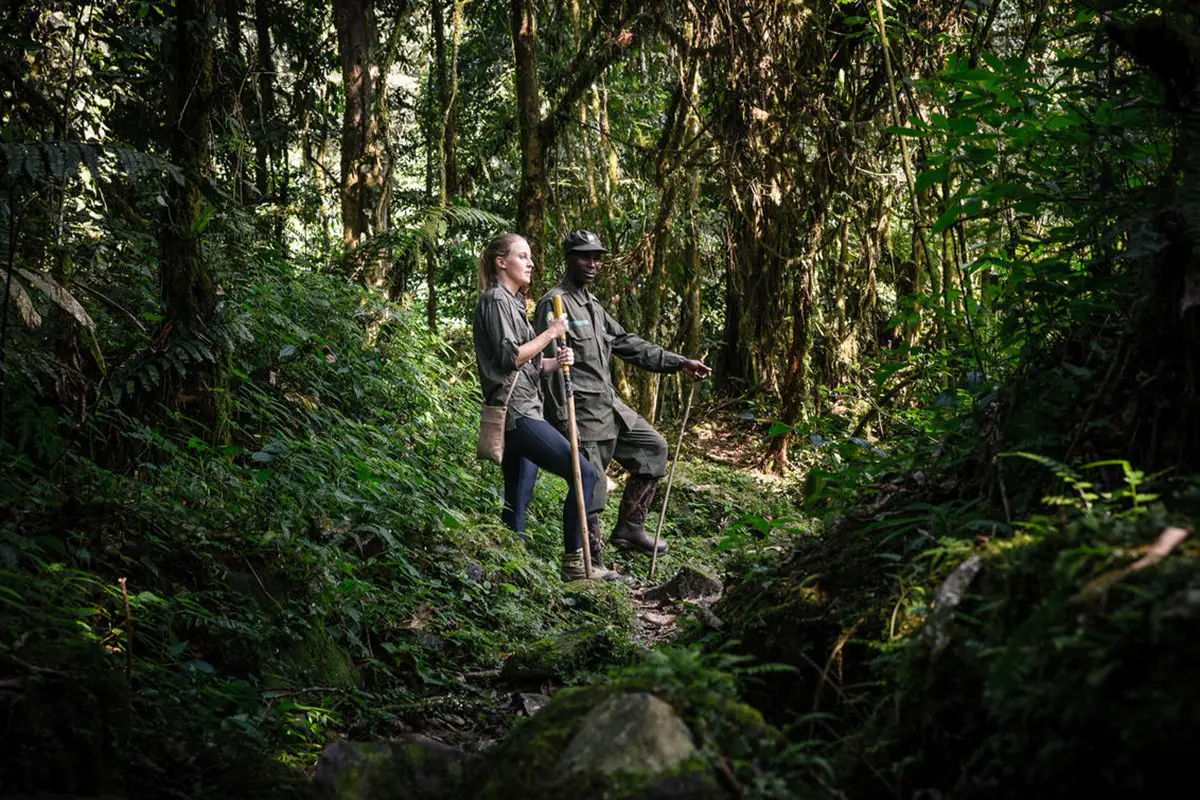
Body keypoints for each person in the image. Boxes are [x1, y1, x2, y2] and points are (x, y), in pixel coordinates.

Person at [534, 230, 711, 569]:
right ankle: (593, 565)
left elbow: (628, 344)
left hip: (609, 404)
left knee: (653, 448)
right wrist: (562, 419)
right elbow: (550, 364)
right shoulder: (554, 303)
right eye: (584, 257)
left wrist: (679, 363)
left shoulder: (593, 305)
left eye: (596, 258)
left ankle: (631, 527)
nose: (592, 264)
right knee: (591, 486)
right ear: (568, 258)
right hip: (581, 410)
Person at [472, 233, 626, 583]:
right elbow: (510, 357)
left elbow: (525, 363)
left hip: (526, 406)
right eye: (522, 257)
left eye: (530, 257)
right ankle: (575, 561)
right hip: (517, 412)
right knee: (584, 473)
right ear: (501, 263)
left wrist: (554, 362)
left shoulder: (513, 302)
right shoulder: (495, 300)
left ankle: (510, 575)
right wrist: (551, 333)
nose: (530, 263)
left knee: (518, 498)